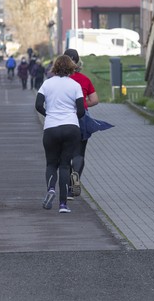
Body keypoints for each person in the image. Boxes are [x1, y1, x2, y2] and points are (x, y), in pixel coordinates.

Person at [35, 55, 85, 213]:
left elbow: (37, 105)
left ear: (55, 67)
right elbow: (82, 110)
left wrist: (49, 114)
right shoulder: (75, 85)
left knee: (51, 164)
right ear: (72, 68)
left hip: (51, 127)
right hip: (71, 127)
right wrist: (71, 118)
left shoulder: (47, 84)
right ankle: (63, 205)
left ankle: (50, 189)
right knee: (65, 165)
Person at [62, 48, 99, 198]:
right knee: (79, 153)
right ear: (77, 62)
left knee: (65, 154)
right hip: (82, 117)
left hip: (64, 118)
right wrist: (83, 103)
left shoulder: (57, 80)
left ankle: (67, 188)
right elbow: (95, 100)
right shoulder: (84, 79)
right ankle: (75, 179)